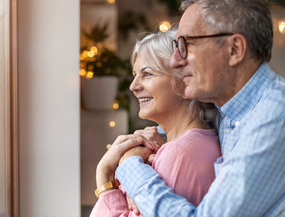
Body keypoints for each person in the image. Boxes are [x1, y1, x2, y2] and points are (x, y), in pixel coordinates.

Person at [98, 0, 285, 217]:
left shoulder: (272, 117)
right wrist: (150, 140)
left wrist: (129, 165)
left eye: (186, 45)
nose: (175, 61)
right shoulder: (229, 111)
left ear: (234, 49)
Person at [90, 30, 221, 216]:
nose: (133, 86)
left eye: (148, 74)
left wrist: (105, 178)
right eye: (135, 74)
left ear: (185, 82)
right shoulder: (197, 141)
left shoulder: (178, 153)